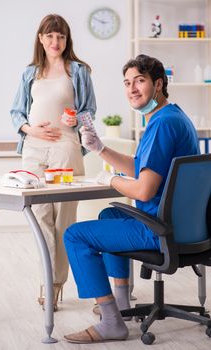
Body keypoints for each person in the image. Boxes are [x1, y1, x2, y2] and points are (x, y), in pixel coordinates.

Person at [63, 54, 200, 343]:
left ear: (158, 84)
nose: (132, 89)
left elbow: (143, 190)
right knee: (109, 216)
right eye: (127, 83)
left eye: (140, 80)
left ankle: (112, 323)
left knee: (75, 236)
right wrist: (101, 149)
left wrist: (109, 179)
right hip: (184, 225)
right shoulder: (173, 117)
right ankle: (121, 306)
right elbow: (144, 168)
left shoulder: (160, 125)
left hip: (160, 227)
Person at [10, 14, 96, 311]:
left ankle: (55, 285)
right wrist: (30, 130)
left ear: (66, 39)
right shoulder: (30, 73)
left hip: (65, 148)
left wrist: (76, 120)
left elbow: (88, 111)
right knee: (40, 218)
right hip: (33, 150)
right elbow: (16, 113)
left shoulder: (78, 71)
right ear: (41, 39)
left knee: (63, 219)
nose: (55, 42)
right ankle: (48, 281)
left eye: (60, 37)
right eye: (50, 36)